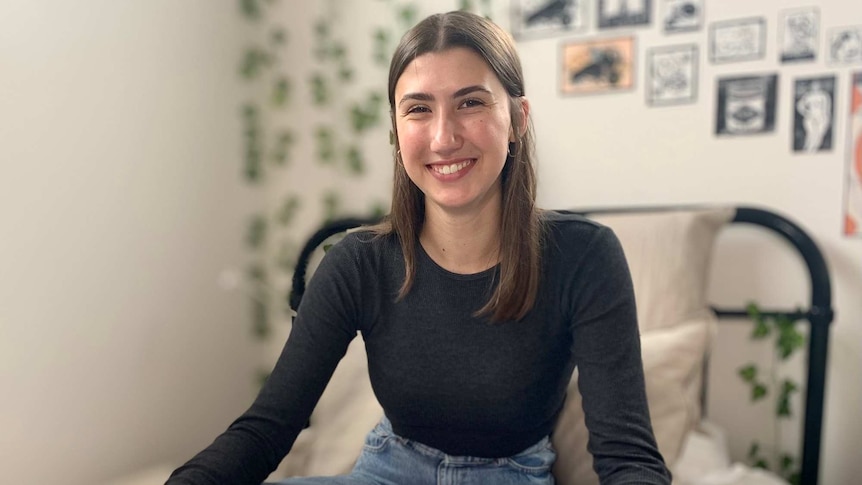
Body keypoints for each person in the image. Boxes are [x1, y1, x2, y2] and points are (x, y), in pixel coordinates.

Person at [167, 10, 671, 485]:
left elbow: (627, 457)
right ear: (396, 131)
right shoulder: (356, 263)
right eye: (418, 110)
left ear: (519, 119)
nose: (443, 136)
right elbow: (267, 429)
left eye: (471, 102)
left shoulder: (583, 258)